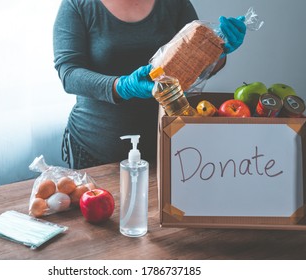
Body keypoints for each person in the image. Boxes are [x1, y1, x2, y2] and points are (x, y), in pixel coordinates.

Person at [53, 0, 246, 169]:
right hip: (96, 148)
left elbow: (196, 66)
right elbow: (69, 73)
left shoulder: (175, 4)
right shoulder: (78, 5)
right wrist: (122, 86)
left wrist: (218, 53)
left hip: (168, 145)